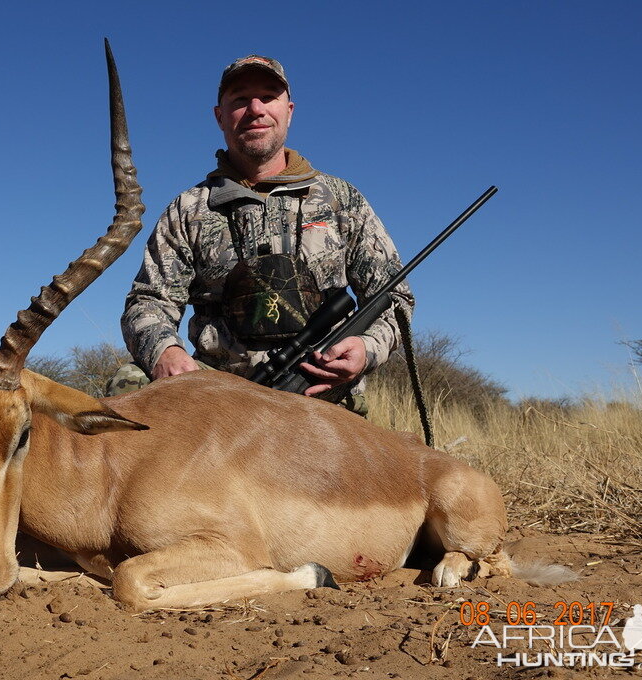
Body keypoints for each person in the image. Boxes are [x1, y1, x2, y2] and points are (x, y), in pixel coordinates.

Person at [107, 55, 414, 416]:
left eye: (268, 97)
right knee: (128, 383)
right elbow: (148, 302)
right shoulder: (188, 208)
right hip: (219, 394)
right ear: (220, 115)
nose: (255, 109)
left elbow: (395, 301)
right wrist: (166, 352)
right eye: (239, 99)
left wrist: (366, 349)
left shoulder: (342, 199)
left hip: (321, 390)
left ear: (289, 110)